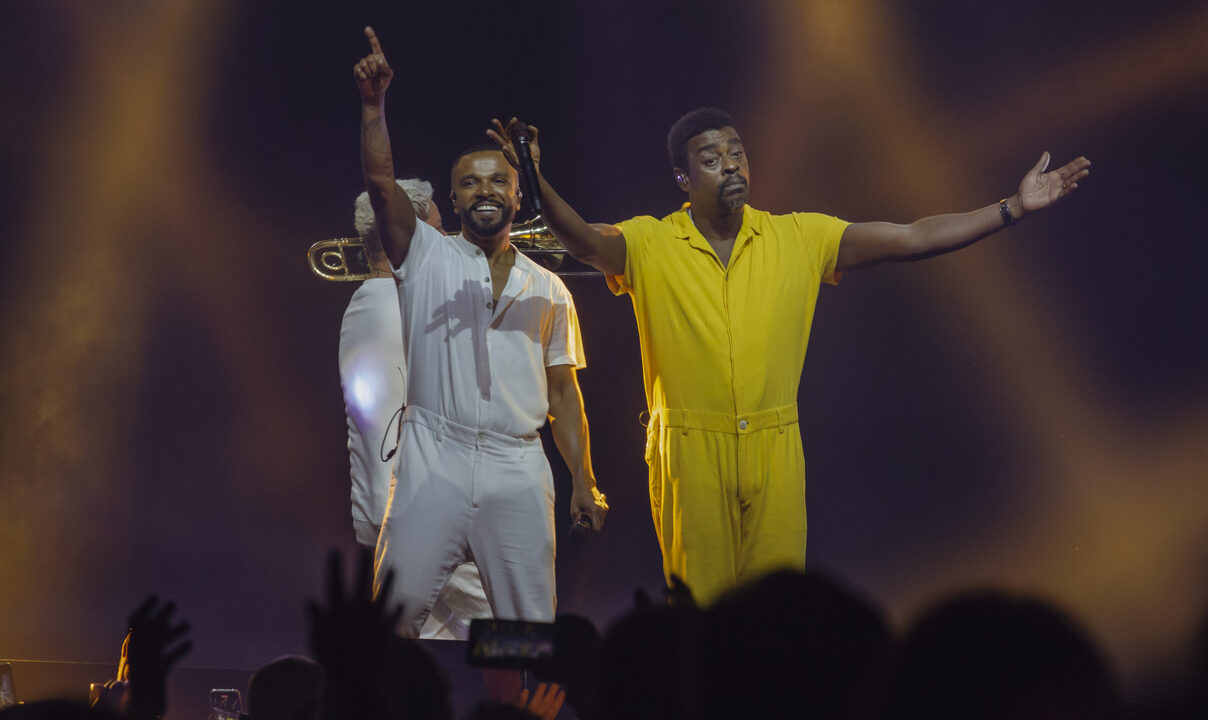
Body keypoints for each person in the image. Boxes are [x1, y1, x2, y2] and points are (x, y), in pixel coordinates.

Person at [488, 107, 1090, 604]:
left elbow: (911, 237)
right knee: (701, 619)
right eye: (711, 157)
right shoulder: (649, 241)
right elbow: (582, 241)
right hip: (690, 454)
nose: (730, 164)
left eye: (737, 152)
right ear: (682, 178)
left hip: (776, 446)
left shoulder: (799, 237)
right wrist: (538, 183)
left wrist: (1010, 209)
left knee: (774, 621)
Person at [353, 27, 609, 635]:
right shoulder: (426, 256)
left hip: (518, 466)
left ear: (519, 195)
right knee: (389, 626)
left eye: (499, 181)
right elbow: (382, 186)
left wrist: (584, 481)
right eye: (471, 182)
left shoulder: (549, 288)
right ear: (453, 195)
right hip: (432, 457)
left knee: (524, 636)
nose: (486, 190)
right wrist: (373, 106)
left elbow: (564, 396)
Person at [341, 180, 492, 640]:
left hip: (389, 518)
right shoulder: (414, 309)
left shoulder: (363, 305)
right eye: (438, 231)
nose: (450, 242)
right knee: (518, 647)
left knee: (424, 679)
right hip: (434, 516)